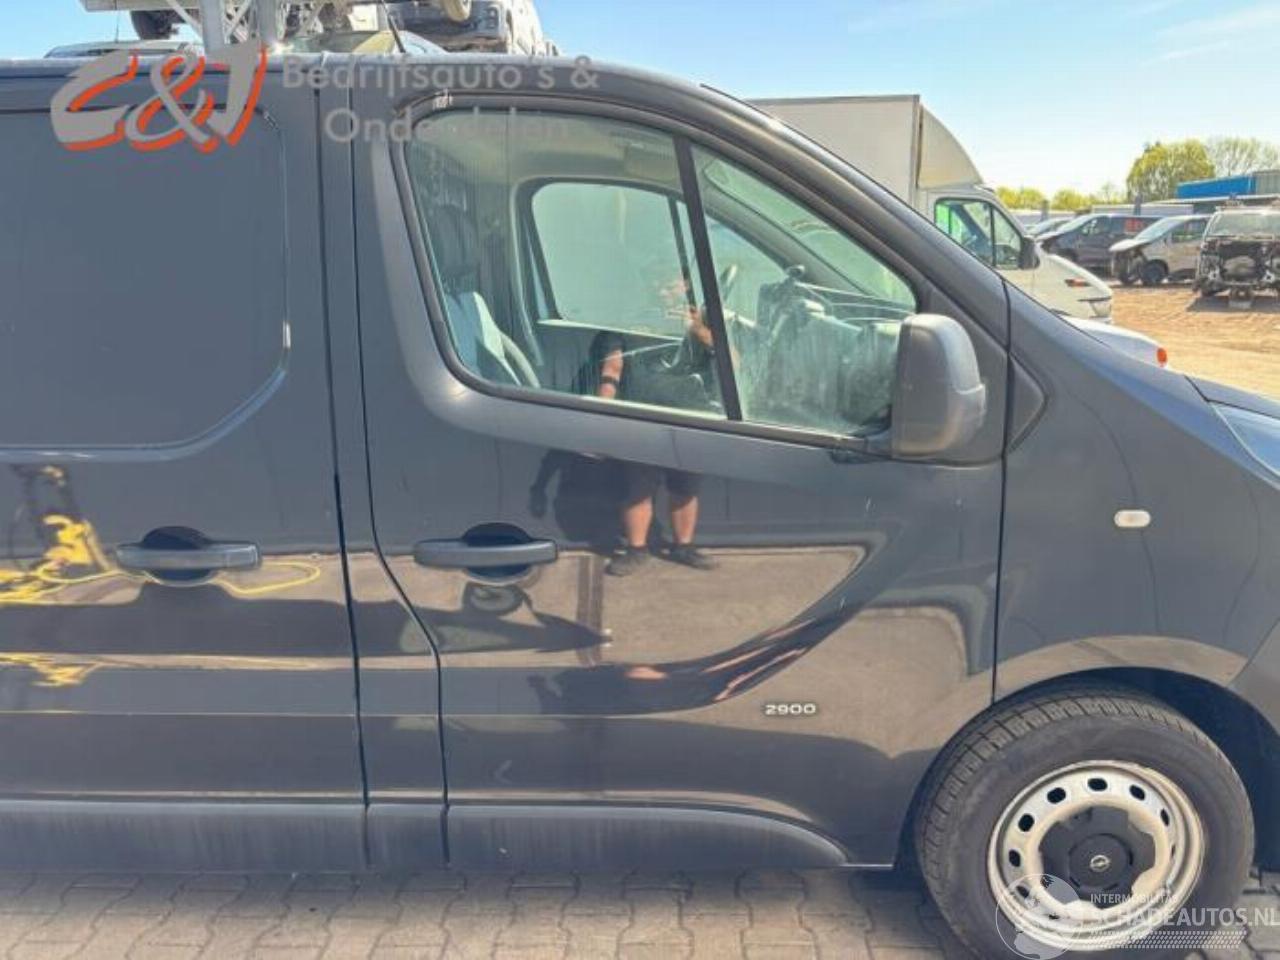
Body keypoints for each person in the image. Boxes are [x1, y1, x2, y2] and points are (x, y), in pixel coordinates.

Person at [589, 268, 719, 577]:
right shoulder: (628, 320)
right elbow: (612, 367)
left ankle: (683, 547)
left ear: (685, 285)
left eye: (670, 283)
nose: (663, 290)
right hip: (641, 417)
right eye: (657, 282)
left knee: (686, 487)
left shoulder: (704, 322)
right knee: (638, 488)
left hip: (691, 417)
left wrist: (697, 329)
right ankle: (636, 550)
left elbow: (734, 362)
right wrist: (601, 413)